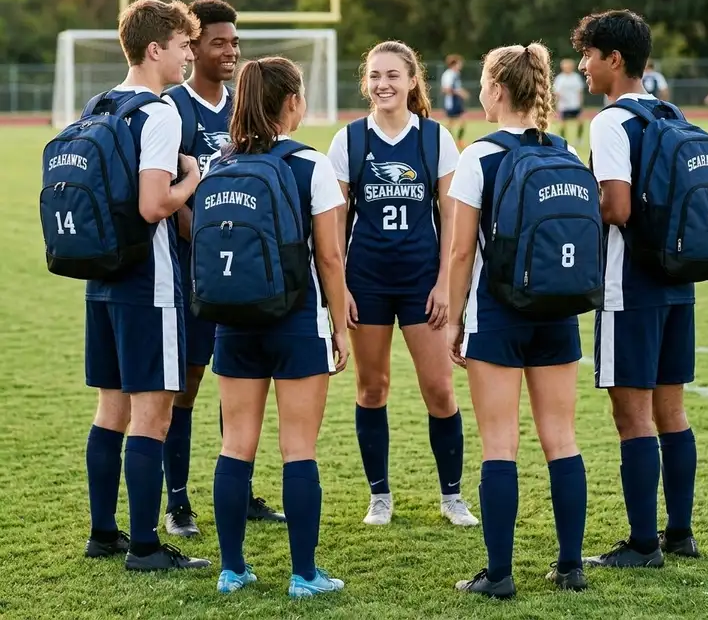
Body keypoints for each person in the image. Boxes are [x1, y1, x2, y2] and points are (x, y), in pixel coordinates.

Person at [447, 43, 588, 598]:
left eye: (485, 85)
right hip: (558, 311)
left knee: (499, 443)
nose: (482, 93)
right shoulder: (568, 151)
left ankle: (500, 575)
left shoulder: (478, 156)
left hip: (498, 312)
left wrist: (455, 319)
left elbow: (460, 253)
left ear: (498, 91)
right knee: (562, 437)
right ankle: (571, 566)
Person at [210, 57, 348, 598]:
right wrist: (340, 325)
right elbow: (331, 258)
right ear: (292, 102)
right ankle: (304, 575)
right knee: (299, 449)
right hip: (296, 320)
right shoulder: (310, 165)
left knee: (235, 445)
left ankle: (231, 569)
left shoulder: (220, 164)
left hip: (234, 322)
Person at [327, 41, 477, 528]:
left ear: (413, 81)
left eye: (392, 75)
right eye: (374, 76)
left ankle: (452, 496)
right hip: (365, 282)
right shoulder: (348, 140)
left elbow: (453, 223)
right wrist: (341, 291)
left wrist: (443, 286)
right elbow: (333, 224)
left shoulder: (436, 139)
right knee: (372, 389)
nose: (382, 84)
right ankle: (379, 496)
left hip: (421, 284)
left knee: (439, 391)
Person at [83, 0, 210, 571]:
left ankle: (103, 534)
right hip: (149, 283)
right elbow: (154, 203)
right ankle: (145, 546)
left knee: (110, 409)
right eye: (184, 46)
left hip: (101, 279)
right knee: (152, 413)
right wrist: (193, 177)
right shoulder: (159, 113)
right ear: (156, 49)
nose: (189, 56)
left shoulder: (100, 104)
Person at [573, 9, 699, 568]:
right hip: (679, 281)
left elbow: (617, 207)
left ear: (614, 59)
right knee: (673, 411)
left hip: (631, 285)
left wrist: (581, 206)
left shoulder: (610, 121)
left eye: (588, 56)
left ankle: (643, 544)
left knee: (633, 417)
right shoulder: (672, 113)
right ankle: (679, 534)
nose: (582, 66)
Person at [161, 0, 283, 537]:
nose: (230, 50)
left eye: (235, 41)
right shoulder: (173, 108)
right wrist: (206, 236)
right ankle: (179, 500)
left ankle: (240, 487)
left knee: (240, 382)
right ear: (192, 49)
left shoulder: (243, 106)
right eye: (218, 41)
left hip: (243, 275)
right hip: (193, 272)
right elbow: (166, 188)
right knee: (185, 384)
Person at [553, 58, 586, 145]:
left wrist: (580, 104)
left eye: (569, 66)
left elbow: (580, 91)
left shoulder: (576, 77)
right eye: (565, 66)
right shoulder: (560, 78)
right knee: (563, 124)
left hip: (575, 104)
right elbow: (557, 93)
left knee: (581, 122)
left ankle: (579, 139)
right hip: (564, 106)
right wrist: (557, 105)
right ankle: (563, 141)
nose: (567, 68)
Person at [441, 54, 470, 149]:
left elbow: (457, 88)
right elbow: (446, 89)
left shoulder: (456, 74)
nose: (460, 65)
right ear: (454, 64)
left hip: (457, 102)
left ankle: (458, 141)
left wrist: (461, 93)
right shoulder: (448, 74)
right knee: (450, 123)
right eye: (459, 63)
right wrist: (459, 93)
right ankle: (446, 140)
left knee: (462, 121)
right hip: (451, 102)